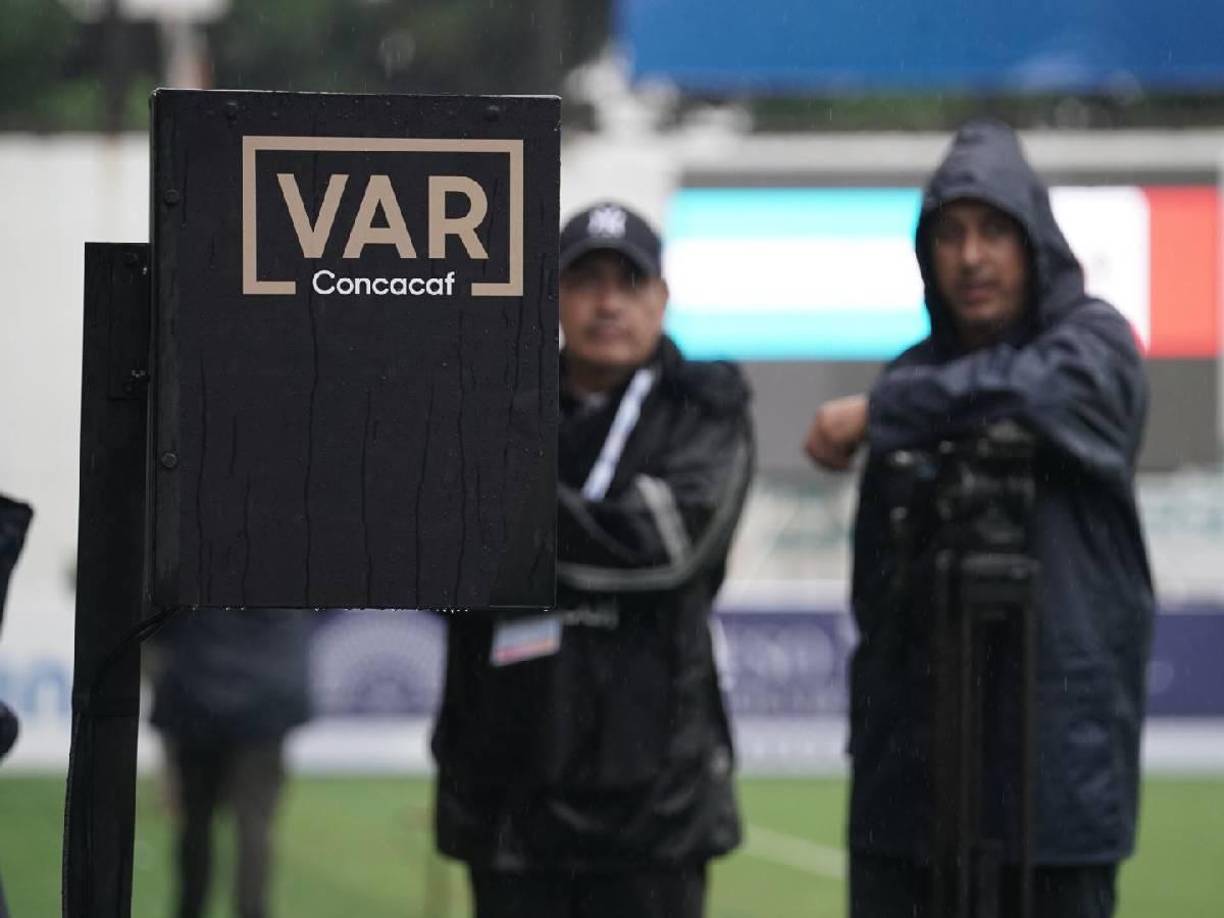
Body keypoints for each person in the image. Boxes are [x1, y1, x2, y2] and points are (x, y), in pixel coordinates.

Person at [804, 119, 1154, 918]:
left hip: (1055, 794)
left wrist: (885, 411)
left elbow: (1043, 393)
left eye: (994, 230)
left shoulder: (1092, 348)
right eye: (950, 234)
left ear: (1036, 243)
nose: (970, 257)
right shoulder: (910, 376)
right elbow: (875, 594)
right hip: (910, 801)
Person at [431, 202, 754, 918]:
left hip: (654, 806)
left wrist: (509, 511)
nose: (608, 303)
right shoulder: (495, 405)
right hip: (509, 795)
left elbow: (663, 547)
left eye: (629, 281)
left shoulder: (705, 405)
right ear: (553, 298)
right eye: (586, 281)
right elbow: (437, 555)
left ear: (661, 298)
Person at [148, 609, 313, 918]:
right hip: (265, 700)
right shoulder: (289, 563)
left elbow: (157, 623)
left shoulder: (193, 561)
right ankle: (250, 911)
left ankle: (190, 909)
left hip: (196, 695)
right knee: (254, 825)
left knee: (196, 823)